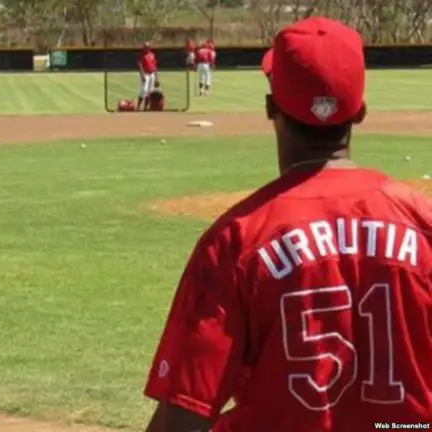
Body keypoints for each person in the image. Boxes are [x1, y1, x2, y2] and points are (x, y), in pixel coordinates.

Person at [143, 16, 432, 432]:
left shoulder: (236, 240)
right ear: (361, 112)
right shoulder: (422, 224)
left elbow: (180, 421)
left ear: (270, 108)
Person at [137, 41, 158, 111]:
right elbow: (140, 65)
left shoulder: (152, 55)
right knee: (144, 90)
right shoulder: (142, 55)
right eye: (145, 47)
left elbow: (155, 66)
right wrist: (142, 75)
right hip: (146, 74)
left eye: (148, 47)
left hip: (152, 74)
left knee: (150, 91)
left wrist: (156, 78)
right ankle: (138, 106)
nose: (147, 48)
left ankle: (145, 107)